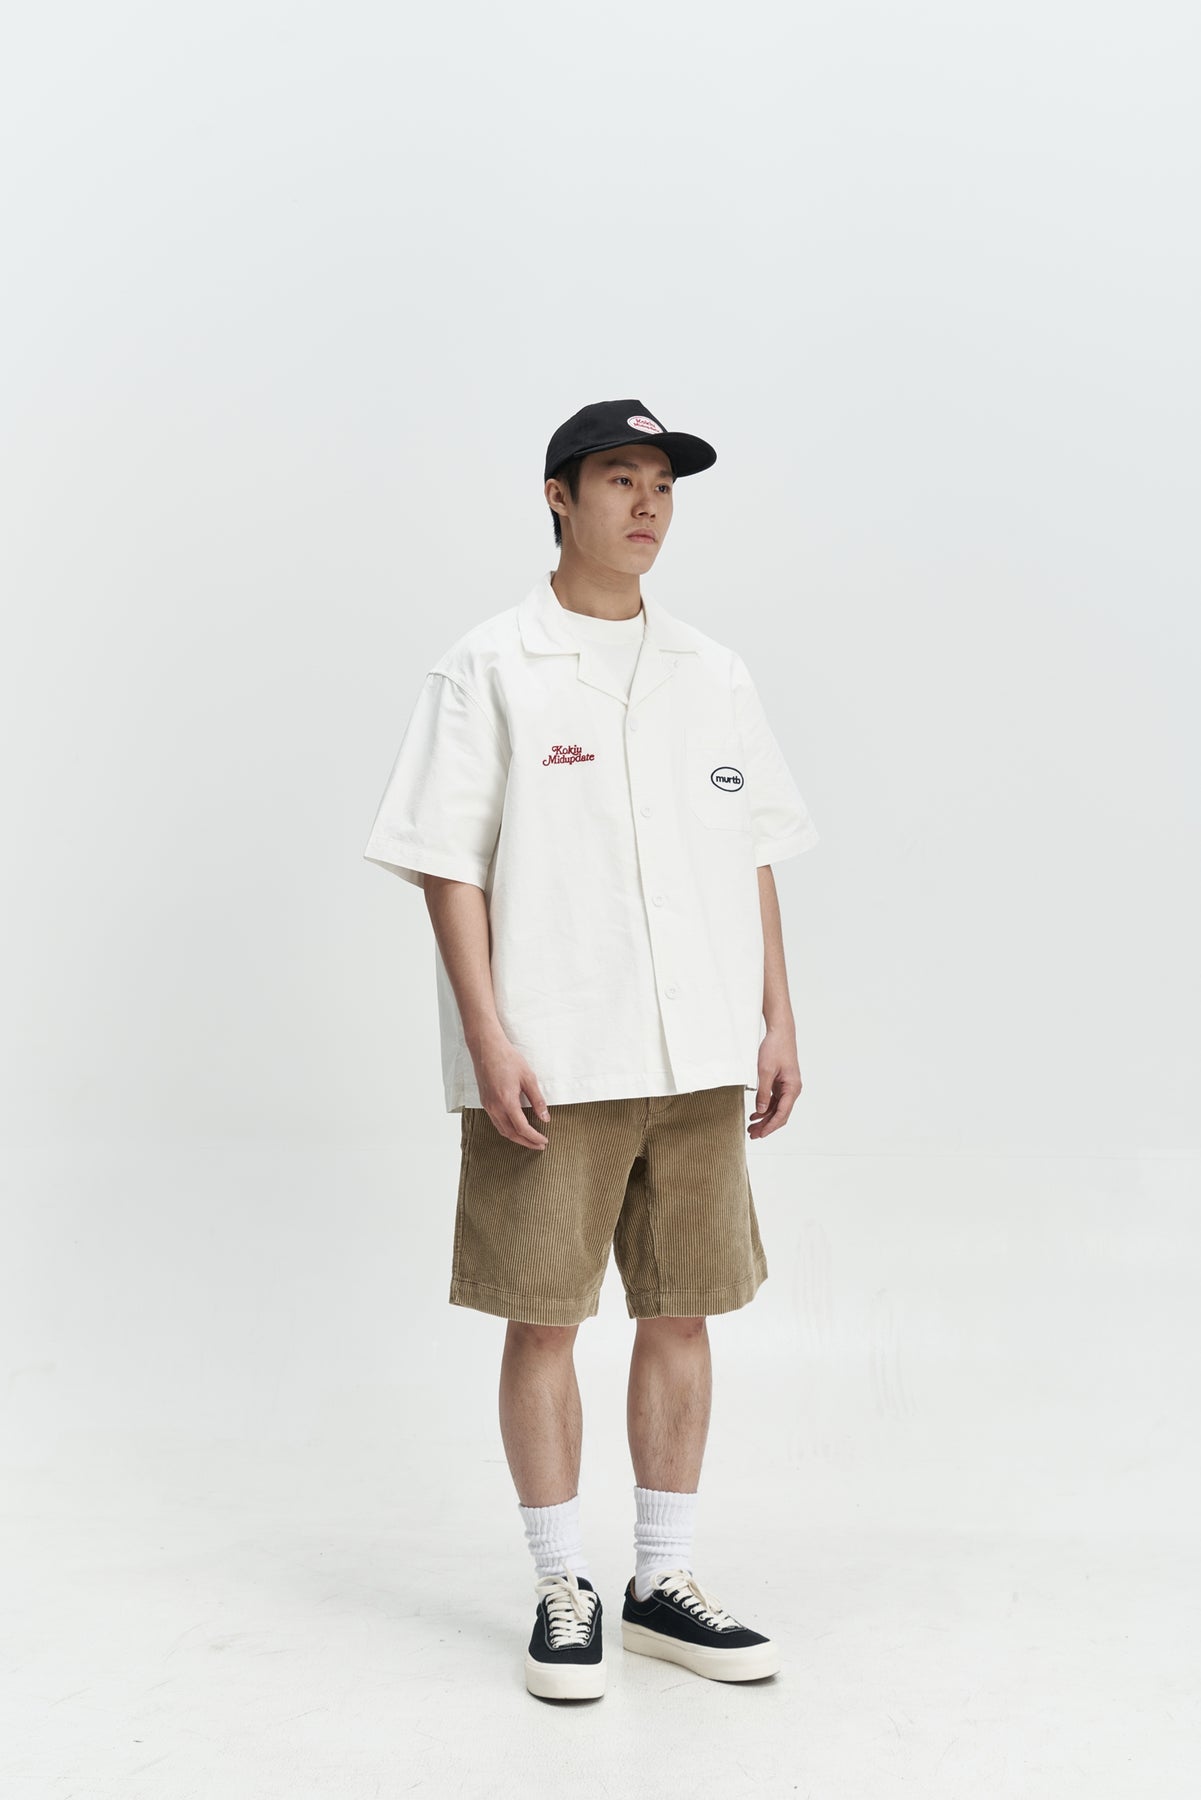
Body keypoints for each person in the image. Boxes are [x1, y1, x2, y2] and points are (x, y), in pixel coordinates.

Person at [363, 397, 820, 1700]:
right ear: (559, 496)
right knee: (545, 1319)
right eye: (619, 478)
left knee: (683, 1310)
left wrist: (777, 1016)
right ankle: (560, 1585)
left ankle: (661, 1583)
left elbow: (751, 853)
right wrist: (487, 1036)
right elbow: (447, 865)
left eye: (662, 484)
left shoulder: (711, 671)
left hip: (699, 1054)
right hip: (554, 1058)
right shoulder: (490, 666)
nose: (647, 504)